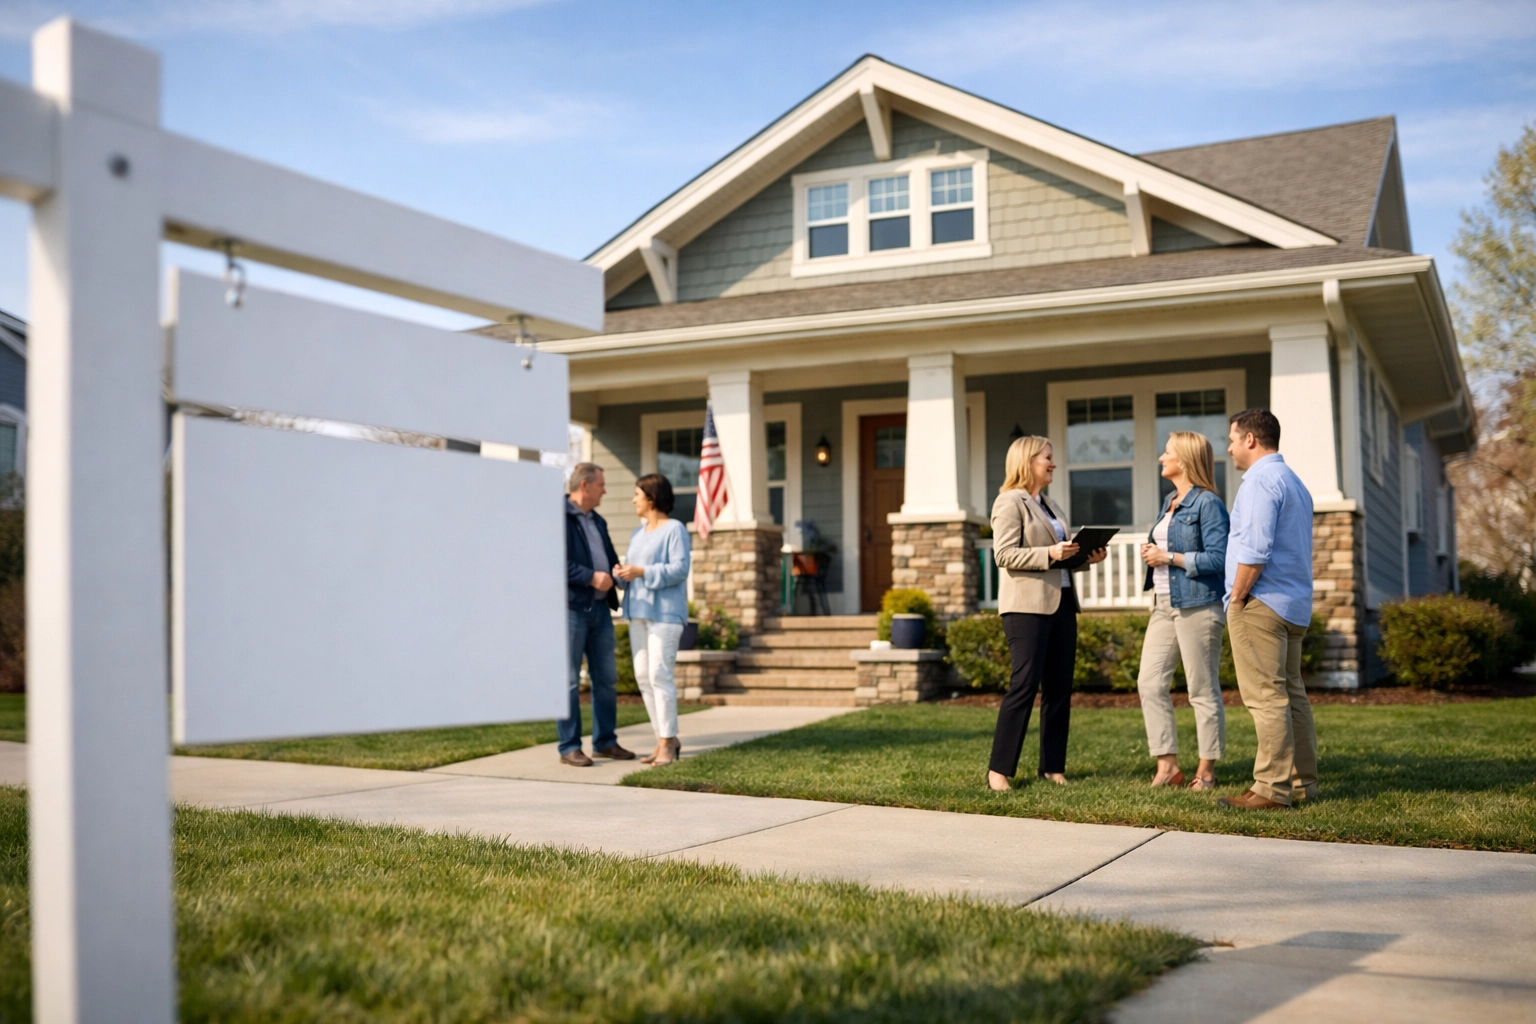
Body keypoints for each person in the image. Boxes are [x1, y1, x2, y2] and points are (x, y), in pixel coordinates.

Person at [987, 435, 1108, 791]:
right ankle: (998, 771)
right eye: (1047, 458)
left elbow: (1061, 557)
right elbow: (1004, 555)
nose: (1053, 464)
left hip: (1062, 604)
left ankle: (1052, 768)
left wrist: (1085, 558)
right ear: (1027, 461)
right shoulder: (1009, 502)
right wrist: (1051, 554)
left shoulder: (1052, 506)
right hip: (1026, 609)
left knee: (1059, 689)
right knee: (1023, 686)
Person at [1219, 409, 1318, 810]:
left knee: (1266, 697)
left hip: (1260, 603)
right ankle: (1302, 785)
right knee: (1292, 695)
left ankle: (1271, 789)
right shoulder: (1294, 482)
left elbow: (1255, 551)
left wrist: (1238, 598)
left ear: (1251, 440)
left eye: (1232, 439)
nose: (1228, 448)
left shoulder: (1260, 481)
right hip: (1292, 605)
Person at [1136, 431, 1231, 791]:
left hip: (1198, 604)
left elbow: (1220, 558)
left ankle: (1206, 771)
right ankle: (1168, 766)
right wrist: (1153, 555)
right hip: (1163, 605)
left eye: (1168, 452)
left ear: (1186, 460)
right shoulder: (1170, 501)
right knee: (1149, 682)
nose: (1162, 458)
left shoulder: (1208, 504)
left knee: (1201, 690)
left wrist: (1169, 557)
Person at [614, 473, 691, 766]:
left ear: (652, 497)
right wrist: (622, 574)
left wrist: (642, 571)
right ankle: (664, 738)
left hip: (666, 614)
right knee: (644, 677)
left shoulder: (675, 530)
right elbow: (633, 573)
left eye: (637, 494)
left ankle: (667, 743)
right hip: (638, 612)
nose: (633, 499)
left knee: (660, 675)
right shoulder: (637, 533)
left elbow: (680, 569)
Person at [561, 463, 635, 767]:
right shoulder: (558, 518)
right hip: (571, 609)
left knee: (606, 678)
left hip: (601, 610)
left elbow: (610, 558)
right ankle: (569, 747)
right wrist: (591, 577)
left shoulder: (598, 521)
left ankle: (605, 741)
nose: (605, 490)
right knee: (567, 681)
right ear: (585, 485)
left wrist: (617, 572)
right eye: (601, 484)